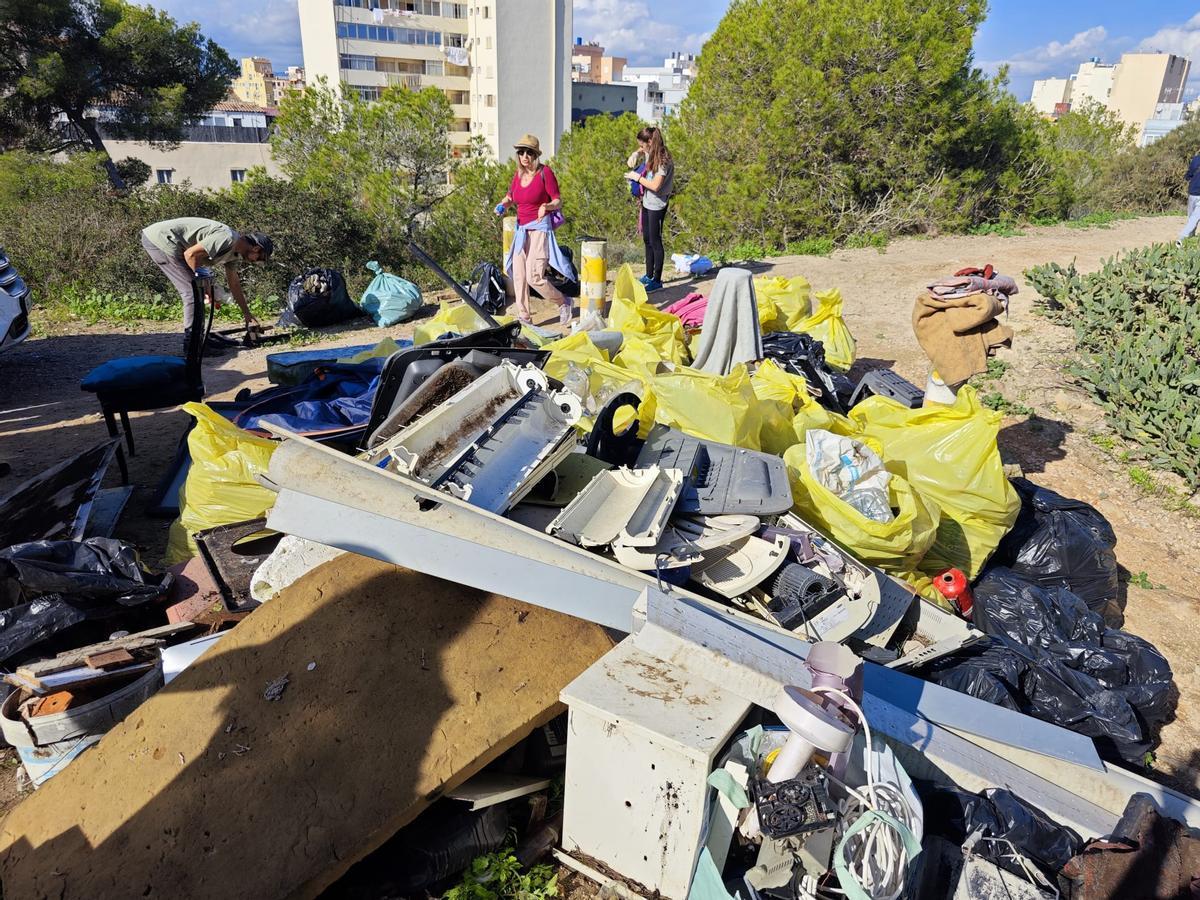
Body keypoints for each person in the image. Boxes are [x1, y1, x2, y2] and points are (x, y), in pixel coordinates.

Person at [140, 217, 272, 351]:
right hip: (161, 240)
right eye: (259, 259)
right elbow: (190, 254)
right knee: (192, 292)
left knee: (200, 290)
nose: (255, 262)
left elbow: (234, 284)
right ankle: (193, 344)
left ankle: (199, 338)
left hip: (176, 246)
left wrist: (247, 314)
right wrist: (203, 284)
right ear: (256, 248)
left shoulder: (235, 254)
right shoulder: (227, 238)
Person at [495, 134, 575, 327]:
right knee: (519, 276)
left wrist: (546, 207)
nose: (525, 156)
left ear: (535, 155)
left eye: (529, 153)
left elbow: (558, 200)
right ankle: (525, 316)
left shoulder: (545, 173)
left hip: (540, 228)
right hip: (521, 229)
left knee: (534, 277)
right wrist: (502, 205)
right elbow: (510, 196)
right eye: (521, 152)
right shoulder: (518, 175)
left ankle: (563, 302)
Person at [624, 126, 674, 292]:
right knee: (647, 239)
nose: (642, 148)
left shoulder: (663, 159)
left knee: (655, 241)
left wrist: (636, 177)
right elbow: (641, 149)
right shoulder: (649, 150)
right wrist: (636, 154)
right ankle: (648, 274)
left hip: (657, 204)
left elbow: (655, 185)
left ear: (650, 142)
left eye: (643, 145)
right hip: (647, 201)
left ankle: (657, 279)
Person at [1178, 152, 1200, 246]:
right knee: (1194, 218)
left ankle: (1188, 238)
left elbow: (1189, 175)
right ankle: (1183, 237)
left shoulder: (1195, 159)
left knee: (1192, 217)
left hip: (1192, 191)